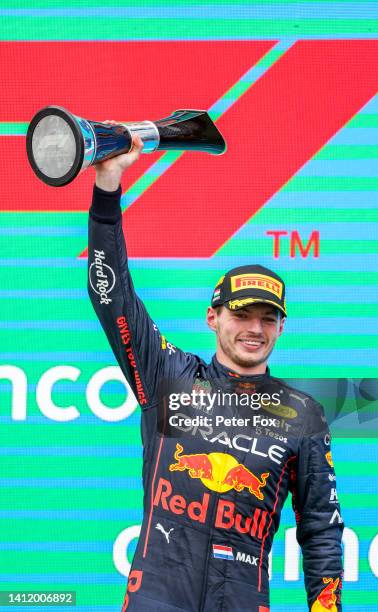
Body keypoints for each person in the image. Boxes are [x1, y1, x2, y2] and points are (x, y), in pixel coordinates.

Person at [87, 129, 344, 612]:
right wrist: (107, 188)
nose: (255, 328)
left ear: (281, 327)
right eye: (242, 314)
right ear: (213, 317)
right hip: (157, 599)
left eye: (268, 318)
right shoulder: (169, 375)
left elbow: (321, 529)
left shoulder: (302, 415)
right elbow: (111, 296)